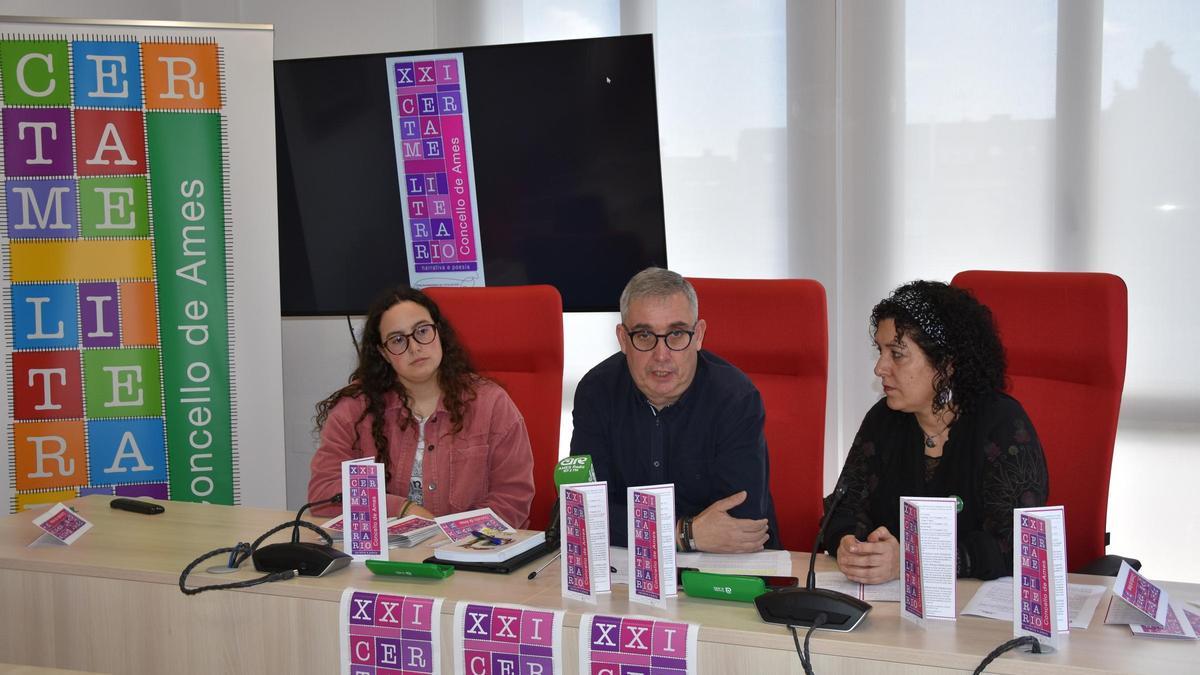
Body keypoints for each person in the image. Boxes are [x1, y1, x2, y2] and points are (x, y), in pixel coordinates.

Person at [825, 280, 1048, 582]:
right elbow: (843, 511)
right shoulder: (883, 420)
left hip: (976, 616)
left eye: (897, 354)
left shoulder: (1001, 425)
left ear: (946, 363)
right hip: (891, 612)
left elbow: (1017, 545)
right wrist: (848, 546)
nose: (879, 367)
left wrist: (911, 561)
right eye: (880, 351)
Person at [570, 267, 779, 552]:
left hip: (724, 575)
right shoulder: (596, 392)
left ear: (699, 336)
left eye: (677, 334)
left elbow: (742, 525)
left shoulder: (735, 398)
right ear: (622, 339)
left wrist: (633, 527)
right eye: (644, 336)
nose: (661, 355)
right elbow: (583, 513)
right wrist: (684, 533)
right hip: (628, 571)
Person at [307, 286, 535, 527]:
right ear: (383, 353)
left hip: (469, 554)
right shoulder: (355, 409)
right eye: (397, 340)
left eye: (422, 331)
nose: (415, 347)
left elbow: (512, 501)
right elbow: (323, 494)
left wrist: (449, 536)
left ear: (439, 332)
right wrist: (402, 509)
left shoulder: (491, 404)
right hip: (386, 555)